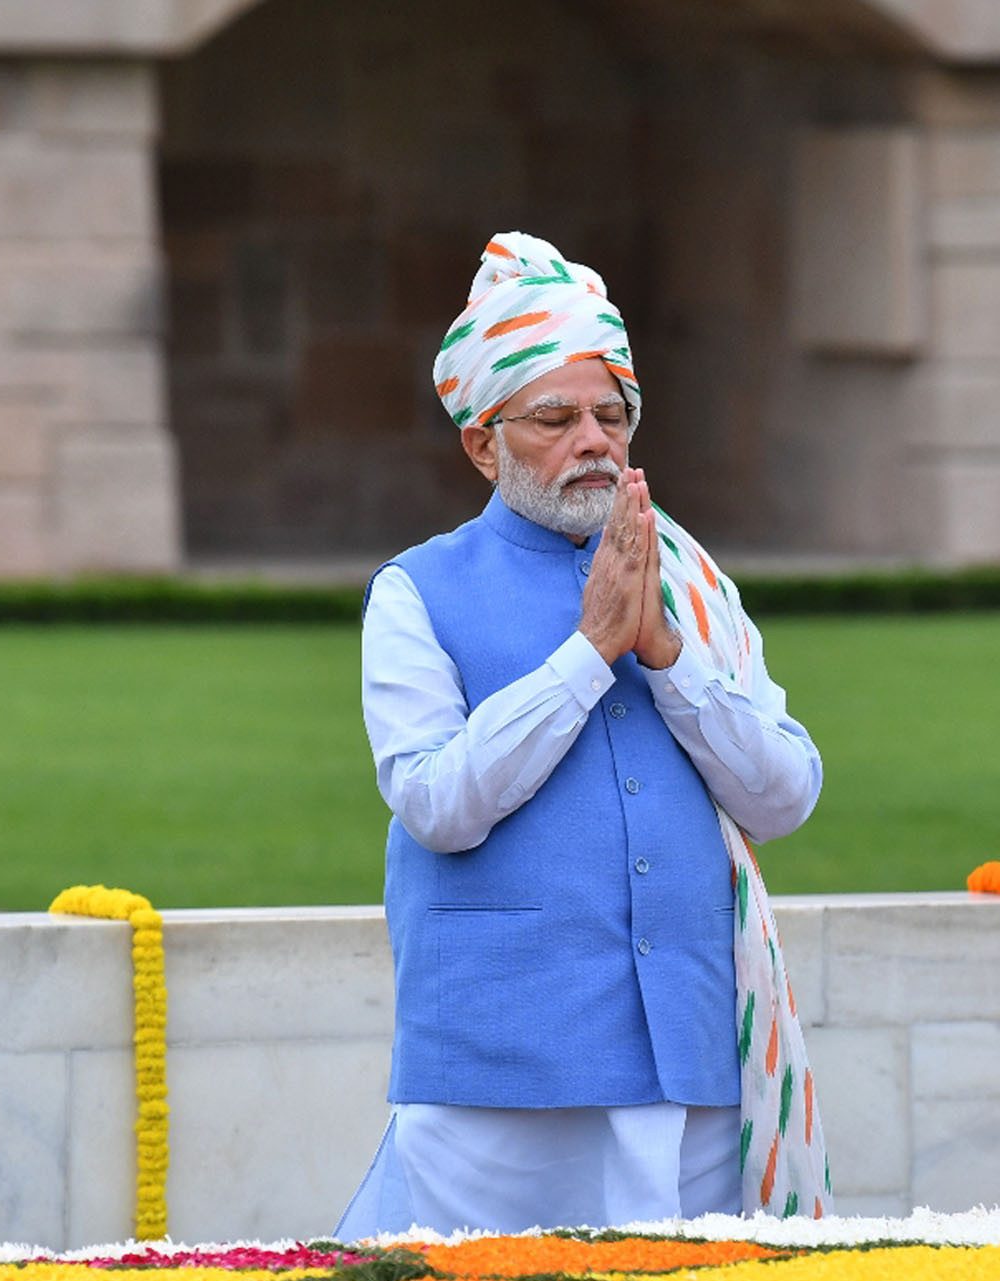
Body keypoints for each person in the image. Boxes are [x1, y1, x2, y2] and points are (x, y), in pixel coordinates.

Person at [336, 232, 830, 1238]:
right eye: (555, 419)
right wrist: (585, 655)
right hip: (497, 1079)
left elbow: (783, 797)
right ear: (483, 440)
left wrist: (665, 654)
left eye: (611, 415)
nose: (593, 441)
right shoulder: (415, 591)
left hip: (691, 1068)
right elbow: (434, 803)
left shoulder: (688, 584)